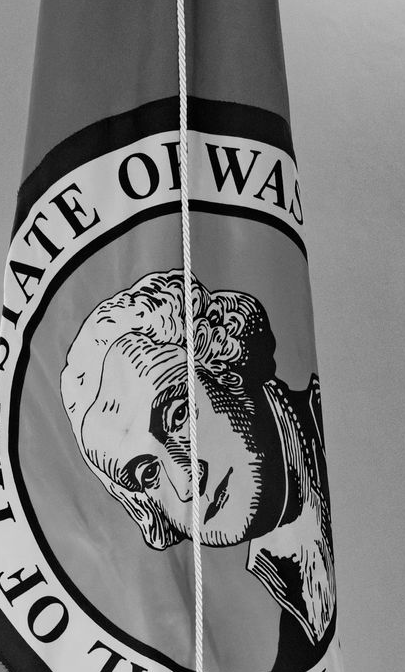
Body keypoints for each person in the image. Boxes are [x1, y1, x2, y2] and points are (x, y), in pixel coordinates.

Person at [59, 268, 335, 644]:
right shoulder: (289, 640)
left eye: (177, 415)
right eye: (148, 474)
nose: (188, 481)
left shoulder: (350, 422)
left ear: (223, 365)